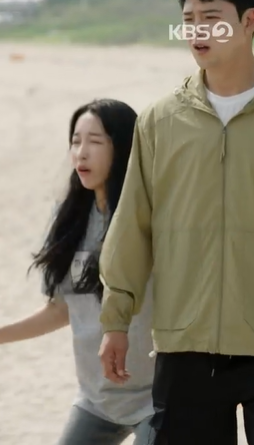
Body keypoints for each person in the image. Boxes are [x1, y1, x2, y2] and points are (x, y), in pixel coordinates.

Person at [0, 99, 155, 445]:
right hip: (96, 398)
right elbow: (62, 308)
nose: (81, 153)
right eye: (75, 141)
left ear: (123, 147)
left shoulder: (151, 218)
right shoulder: (71, 219)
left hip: (156, 396)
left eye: (95, 141)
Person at [97, 0, 254, 443]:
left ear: (248, 22)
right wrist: (115, 320)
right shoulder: (160, 121)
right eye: (188, 20)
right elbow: (132, 225)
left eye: (211, 18)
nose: (197, 30)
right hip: (185, 346)